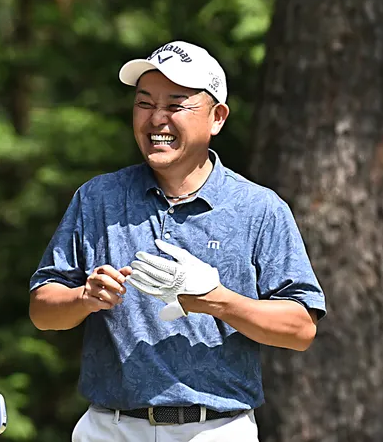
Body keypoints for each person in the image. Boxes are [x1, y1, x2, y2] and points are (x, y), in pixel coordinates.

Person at [29, 40, 327, 441]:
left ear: (217, 117)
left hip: (216, 430)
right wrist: (84, 297)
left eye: (175, 105)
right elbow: (42, 311)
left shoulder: (259, 209)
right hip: (109, 429)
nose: (156, 119)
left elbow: (301, 329)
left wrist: (215, 300)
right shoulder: (98, 198)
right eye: (144, 103)